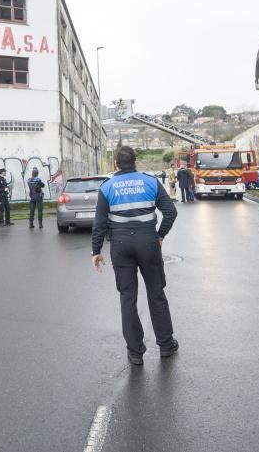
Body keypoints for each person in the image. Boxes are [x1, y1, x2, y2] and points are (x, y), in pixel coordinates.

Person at [92, 145, 179, 365]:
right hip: (148, 241)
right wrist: (160, 236)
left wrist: (96, 250)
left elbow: (100, 223)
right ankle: (166, 344)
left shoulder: (107, 187)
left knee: (127, 297)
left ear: (115, 164)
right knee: (156, 294)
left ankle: (135, 352)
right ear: (136, 161)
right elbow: (170, 212)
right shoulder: (150, 182)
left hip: (120, 244)